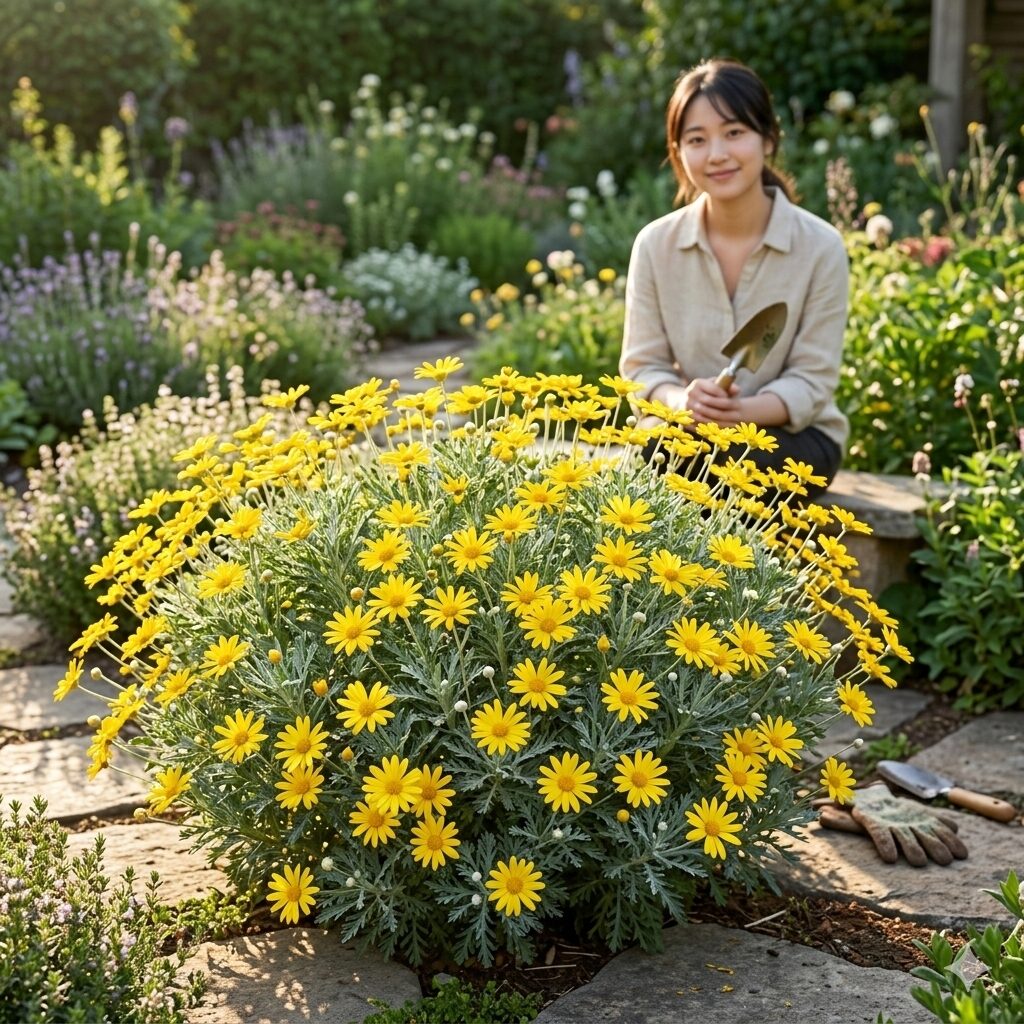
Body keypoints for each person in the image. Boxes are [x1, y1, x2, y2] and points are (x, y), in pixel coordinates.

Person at [620, 58, 848, 495]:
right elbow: (641, 368)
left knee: (730, 464)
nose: (718, 154)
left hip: (791, 440)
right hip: (686, 432)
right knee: (663, 451)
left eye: (734, 133)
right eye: (697, 140)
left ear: (768, 138)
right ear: (678, 152)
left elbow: (813, 380)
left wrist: (740, 413)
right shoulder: (654, 245)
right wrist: (680, 399)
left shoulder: (820, 247)